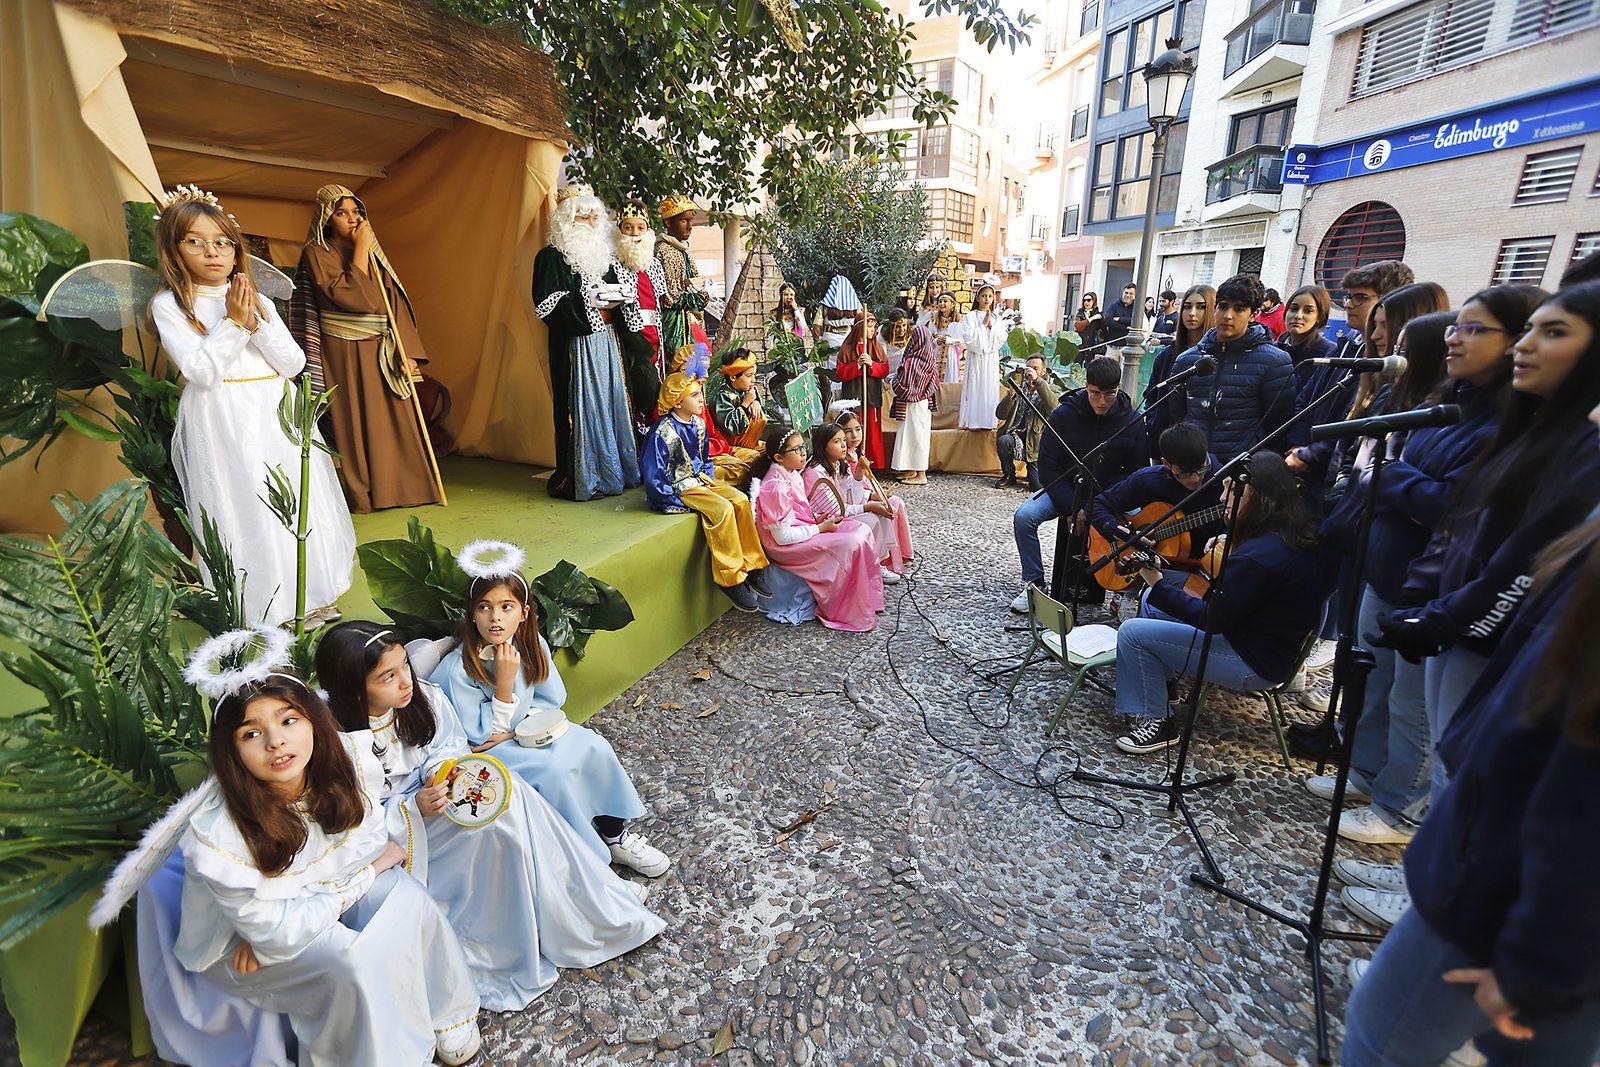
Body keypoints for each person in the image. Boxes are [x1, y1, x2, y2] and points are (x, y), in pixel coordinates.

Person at [1338, 284, 1600, 927]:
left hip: (1476, 622)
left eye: (1475, 330)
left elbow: (1470, 522)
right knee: (1392, 698)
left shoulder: (1556, 442)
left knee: (1448, 747)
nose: (1455, 337)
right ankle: (1393, 811)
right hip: (1420, 584)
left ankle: (1418, 854)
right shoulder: (1459, 407)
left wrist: (1447, 614)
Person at [1341, 446, 1600, 1064]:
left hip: (1500, 889)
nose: (1529, 343)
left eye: (1556, 337)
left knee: (1381, 1039)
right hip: (1490, 864)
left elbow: (1582, 795)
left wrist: (1534, 964)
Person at [163, 637, 482, 1064]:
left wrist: (353, 879)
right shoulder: (220, 834)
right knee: (345, 960)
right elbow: (281, 931)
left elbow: (365, 844)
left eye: (289, 721)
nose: (276, 742)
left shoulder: (346, 763)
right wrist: (272, 928)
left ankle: (448, 1014)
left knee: (405, 897)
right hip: (245, 947)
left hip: (302, 905)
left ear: (313, 721)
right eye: (252, 733)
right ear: (232, 751)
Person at [316, 622, 664, 1011]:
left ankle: (581, 899)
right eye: (388, 676)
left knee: (512, 794)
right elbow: (352, 822)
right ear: (353, 687)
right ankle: (529, 933)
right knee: (498, 828)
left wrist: (441, 773)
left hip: (442, 798)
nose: (405, 681)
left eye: (405, 667)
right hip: (406, 831)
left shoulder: (423, 697)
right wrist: (414, 807)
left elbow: (447, 744)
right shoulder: (334, 743)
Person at [1310, 312, 1487, 873]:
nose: (1390, 347)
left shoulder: (1483, 423)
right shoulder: (1433, 405)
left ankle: (1401, 806)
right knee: (1374, 678)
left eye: (1409, 343)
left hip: (1424, 576)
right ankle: (1364, 771)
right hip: (1385, 565)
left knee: (1413, 702)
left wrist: (1392, 476)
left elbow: (1449, 503)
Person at [149, 187, 355, 627]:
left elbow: (294, 362)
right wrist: (233, 323)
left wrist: (255, 321)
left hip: (274, 409)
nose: (212, 252)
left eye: (222, 241)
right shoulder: (171, 305)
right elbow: (201, 371)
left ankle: (309, 593)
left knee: (297, 501)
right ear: (174, 249)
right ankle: (265, 605)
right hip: (221, 414)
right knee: (244, 502)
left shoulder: (254, 295)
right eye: (195, 241)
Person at [433, 544, 670, 876]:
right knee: (556, 773)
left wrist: (517, 727)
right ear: (472, 613)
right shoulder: (458, 669)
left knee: (594, 747)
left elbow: (550, 700)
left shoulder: (532, 645)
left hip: (527, 734)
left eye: (506, 607)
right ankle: (590, 862)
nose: (496, 617)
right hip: (493, 753)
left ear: (524, 612)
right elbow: (480, 735)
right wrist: (504, 684)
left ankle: (614, 835)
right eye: (484, 607)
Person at [1112, 453, 1332, 754]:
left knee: (1133, 633)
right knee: (1152, 601)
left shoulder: (1258, 556)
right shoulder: (1288, 533)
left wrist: (1156, 580)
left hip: (1251, 661)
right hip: (1267, 644)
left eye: (1232, 490)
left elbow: (1212, 619)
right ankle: (1163, 691)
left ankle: (1159, 723)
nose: (1223, 497)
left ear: (1263, 499)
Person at [295, 185, 442, 514]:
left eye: (356, 212)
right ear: (325, 217)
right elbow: (354, 299)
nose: (351, 219)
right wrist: (361, 247)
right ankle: (369, 495)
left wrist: (408, 352)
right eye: (341, 212)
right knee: (358, 422)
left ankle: (407, 488)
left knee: (396, 417)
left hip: (383, 349)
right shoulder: (317, 253)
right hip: (344, 351)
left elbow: (394, 303)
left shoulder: (373, 254)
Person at [532, 185, 644, 501]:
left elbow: (620, 298)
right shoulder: (550, 258)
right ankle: (583, 477)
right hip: (577, 347)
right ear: (566, 220)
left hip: (609, 344)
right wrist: (588, 303)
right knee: (581, 408)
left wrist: (623, 299)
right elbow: (545, 304)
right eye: (581, 216)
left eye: (594, 216)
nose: (589, 222)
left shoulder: (605, 259)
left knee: (613, 403)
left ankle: (616, 471)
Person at [1010, 356, 1147, 612]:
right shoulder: (1064, 414)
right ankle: (1035, 583)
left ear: (1119, 389)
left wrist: (1105, 506)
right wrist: (1072, 505)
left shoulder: (1132, 420)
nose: (1102, 401)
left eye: (1109, 394)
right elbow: (1049, 466)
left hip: (1110, 495)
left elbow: (1138, 472)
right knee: (1024, 517)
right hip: (1066, 490)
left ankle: (1125, 593)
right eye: (1095, 393)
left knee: (1146, 523)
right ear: (1086, 386)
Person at [641, 373, 770, 612]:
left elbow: (704, 459)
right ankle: (730, 579)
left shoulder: (699, 423)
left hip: (700, 480)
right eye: (695, 395)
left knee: (740, 500)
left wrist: (708, 479)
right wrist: (670, 498)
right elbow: (653, 474)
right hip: (679, 485)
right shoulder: (662, 433)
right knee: (721, 510)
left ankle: (753, 565)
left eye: (700, 394)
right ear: (677, 402)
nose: (702, 400)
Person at [1286, 260, 1415, 477]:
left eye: (1360, 298)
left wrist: (1310, 454)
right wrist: (1296, 445)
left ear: (1389, 300)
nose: (1348, 304)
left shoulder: (1390, 361)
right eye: (1348, 296)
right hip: (1303, 461)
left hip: (1335, 473)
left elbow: (1356, 427)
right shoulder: (1345, 344)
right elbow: (1308, 399)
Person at [751, 425, 884, 631]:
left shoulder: (793, 473)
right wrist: (820, 529)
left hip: (805, 529)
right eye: (796, 450)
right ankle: (844, 610)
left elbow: (799, 514)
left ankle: (867, 601)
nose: (803, 452)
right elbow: (782, 537)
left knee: (860, 530)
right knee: (851, 541)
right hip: (786, 547)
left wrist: (816, 520)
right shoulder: (776, 486)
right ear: (779, 457)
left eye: (803, 446)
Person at [1168, 273, 1294, 463]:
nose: (1228, 316)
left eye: (1239, 309)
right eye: (1223, 306)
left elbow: (1278, 425)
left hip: (1241, 472)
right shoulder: (1187, 360)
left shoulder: (1275, 362)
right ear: (1215, 308)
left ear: (1253, 315)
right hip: (1194, 467)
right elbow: (1178, 414)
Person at [1088, 422, 1223, 578]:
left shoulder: (1226, 481)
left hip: (1206, 568)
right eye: (1184, 473)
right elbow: (1096, 505)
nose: (1196, 478)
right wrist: (1125, 534)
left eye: (1201, 468)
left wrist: (1225, 536)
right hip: (1156, 568)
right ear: (1166, 463)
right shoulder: (1149, 480)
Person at [804, 421, 910, 584]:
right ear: (822, 445)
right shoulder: (816, 472)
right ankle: (873, 565)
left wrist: (859, 474)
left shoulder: (838, 464)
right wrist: (867, 506)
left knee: (880, 513)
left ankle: (879, 563)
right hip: (823, 520)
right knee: (872, 519)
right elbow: (837, 510)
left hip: (838, 513)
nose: (843, 445)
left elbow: (853, 497)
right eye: (836, 441)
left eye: (843, 441)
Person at [834, 409, 913, 575]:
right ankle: (885, 560)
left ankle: (900, 554)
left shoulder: (857, 453)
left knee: (896, 501)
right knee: (889, 506)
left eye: (858, 429)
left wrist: (877, 490)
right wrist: (871, 496)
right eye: (848, 432)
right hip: (852, 504)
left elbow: (864, 481)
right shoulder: (842, 460)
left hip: (863, 496)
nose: (855, 435)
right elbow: (846, 491)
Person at [1142, 284, 1215, 456]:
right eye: (1187, 307)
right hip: (1164, 444)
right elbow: (1152, 395)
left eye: (1201, 307)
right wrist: (1153, 423)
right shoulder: (1167, 356)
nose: (1192, 313)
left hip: (1201, 449)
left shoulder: (1217, 357)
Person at [614, 198, 668, 427]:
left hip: (656, 333)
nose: (634, 234)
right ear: (619, 231)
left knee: (658, 385)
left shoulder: (654, 264)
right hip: (631, 338)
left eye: (640, 228)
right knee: (639, 385)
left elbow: (662, 299)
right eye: (628, 227)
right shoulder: (612, 264)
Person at [655, 194, 709, 360]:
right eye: (683, 221)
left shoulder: (682, 250)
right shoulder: (665, 250)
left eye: (690, 221)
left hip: (691, 322)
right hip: (675, 326)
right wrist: (698, 297)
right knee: (681, 369)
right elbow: (670, 297)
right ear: (668, 222)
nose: (689, 226)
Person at [834, 309, 891, 465]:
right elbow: (840, 373)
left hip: (871, 397)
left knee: (871, 432)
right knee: (854, 428)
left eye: (873, 327)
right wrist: (857, 365)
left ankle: (872, 464)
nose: (872, 331)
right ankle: (854, 463)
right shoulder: (847, 348)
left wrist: (872, 365)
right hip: (854, 397)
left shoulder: (877, 347)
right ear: (860, 327)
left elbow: (885, 370)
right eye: (869, 327)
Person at [993, 355, 1059, 490]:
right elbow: (1000, 414)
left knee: (1037, 486)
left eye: (1036, 368)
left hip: (1035, 442)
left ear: (1043, 371)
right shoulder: (1018, 387)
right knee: (1004, 440)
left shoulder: (1051, 389)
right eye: (1029, 368)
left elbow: (1054, 410)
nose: (1031, 372)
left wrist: (1038, 381)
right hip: (1015, 435)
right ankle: (1008, 475)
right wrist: (1010, 397)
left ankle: (1032, 473)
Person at [889, 322, 940, 484]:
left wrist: (892, 384)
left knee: (916, 438)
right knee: (913, 437)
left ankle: (921, 475)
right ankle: (911, 470)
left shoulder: (913, 362)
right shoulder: (930, 359)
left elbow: (903, 386)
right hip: (923, 404)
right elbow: (934, 384)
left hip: (912, 405)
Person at [959, 285, 1005, 431]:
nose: (987, 299)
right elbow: (968, 337)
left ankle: (988, 421)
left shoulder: (996, 318)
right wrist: (982, 326)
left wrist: (992, 327)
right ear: (978, 297)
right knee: (975, 387)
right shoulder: (971, 316)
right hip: (976, 359)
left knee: (989, 388)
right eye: (984, 296)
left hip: (991, 359)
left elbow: (1002, 337)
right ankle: (973, 421)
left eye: (990, 296)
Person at [706, 348, 768, 454]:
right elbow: (732, 428)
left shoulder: (747, 391)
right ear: (733, 377)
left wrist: (755, 402)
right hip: (728, 447)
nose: (753, 380)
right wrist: (745, 404)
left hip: (749, 443)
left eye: (754, 375)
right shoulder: (722, 397)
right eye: (749, 376)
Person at [929, 291, 966, 384]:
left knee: (949, 378)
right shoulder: (934, 319)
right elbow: (929, 337)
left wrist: (950, 340)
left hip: (950, 354)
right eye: (940, 301)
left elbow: (963, 339)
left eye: (945, 301)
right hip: (937, 352)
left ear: (952, 304)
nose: (942, 304)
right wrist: (936, 341)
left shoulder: (959, 320)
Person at [771, 283, 808, 349]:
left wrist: (795, 309)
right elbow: (772, 333)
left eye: (791, 295)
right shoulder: (775, 313)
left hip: (795, 345)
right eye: (785, 295)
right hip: (781, 346)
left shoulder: (800, 311)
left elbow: (802, 326)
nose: (788, 297)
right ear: (781, 296)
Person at [1102, 283, 1139, 350]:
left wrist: (1119, 319)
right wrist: (1126, 328)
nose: (1128, 295)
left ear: (1134, 295)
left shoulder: (1136, 308)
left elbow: (1135, 321)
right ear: (1123, 293)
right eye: (1126, 293)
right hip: (1112, 345)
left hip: (1128, 346)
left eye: (1131, 293)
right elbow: (1108, 320)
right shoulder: (1114, 306)